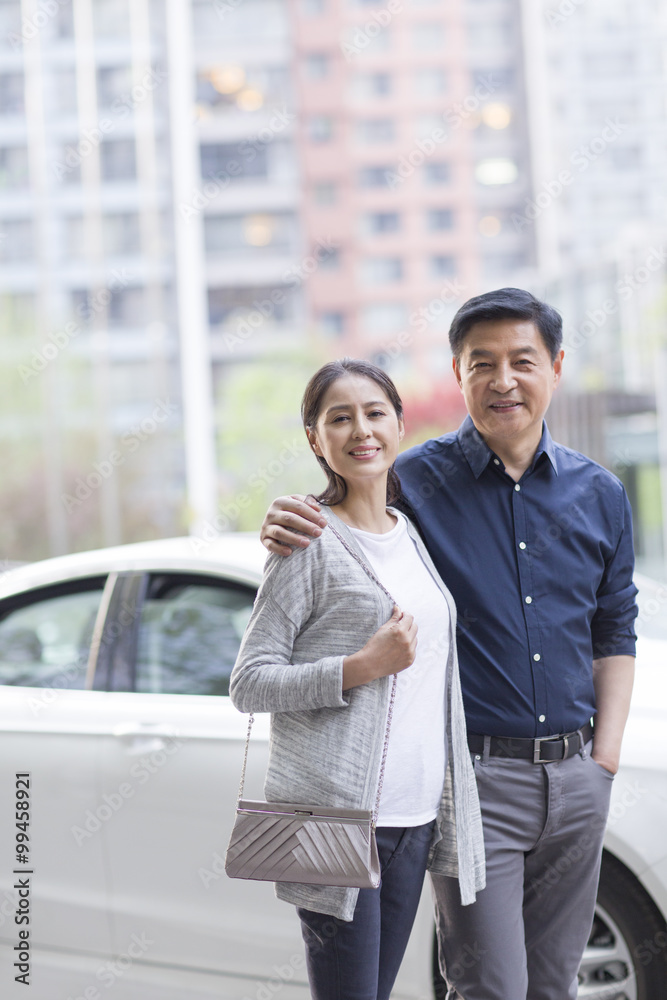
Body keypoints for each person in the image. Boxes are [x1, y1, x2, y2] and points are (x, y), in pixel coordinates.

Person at [259, 288, 638, 1000]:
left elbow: (614, 627)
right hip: (473, 781)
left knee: (551, 984)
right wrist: (288, 511)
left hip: (576, 777)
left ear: (554, 367)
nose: (502, 380)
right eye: (480, 363)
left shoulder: (600, 494)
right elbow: (344, 514)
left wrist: (603, 761)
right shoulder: (414, 481)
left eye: (521, 361)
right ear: (457, 373)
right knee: (489, 984)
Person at [229, 358, 485, 1000]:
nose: (360, 430)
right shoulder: (308, 541)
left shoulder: (413, 533)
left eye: (374, 413)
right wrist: (358, 668)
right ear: (316, 439)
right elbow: (249, 682)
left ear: (399, 424)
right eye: (338, 418)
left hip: (415, 814)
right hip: (336, 818)